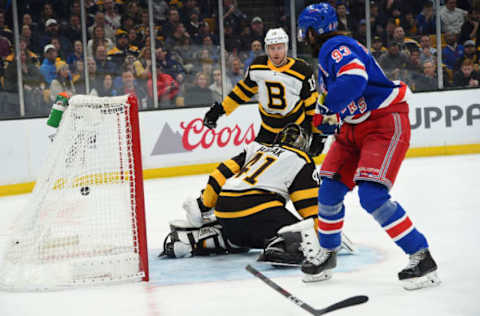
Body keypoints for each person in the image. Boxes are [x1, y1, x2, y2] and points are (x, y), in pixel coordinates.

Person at [293, 3, 440, 290]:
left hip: (383, 123)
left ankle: (421, 256)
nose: (303, 37)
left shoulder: (334, 45)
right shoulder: (331, 52)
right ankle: (328, 253)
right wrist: (325, 124)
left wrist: (325, 106)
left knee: (372, 195)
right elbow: (345, 98)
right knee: (329, 189)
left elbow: (354, 79)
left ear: (312, 30)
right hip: (354, 128)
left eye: (304, 31)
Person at [161, 124, 353, 263]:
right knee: (302, 234)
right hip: (258, 208)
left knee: (241, 234)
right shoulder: (301, 158)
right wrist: (325, 232)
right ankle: (279, 246)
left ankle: (202, 239)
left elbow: (219, 173)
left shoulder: (255, 148)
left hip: (224, 208)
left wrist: (205, 203)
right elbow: (308, 207)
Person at [202, 27, 325, 157]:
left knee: (289, 166)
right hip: (268, 127)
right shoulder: (257, 67)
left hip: (296, 127)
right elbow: (241, 93)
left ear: (286, 47)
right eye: (272, 48)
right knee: (256, 165)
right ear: (267, 49)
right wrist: (220, 110)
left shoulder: (302, 70)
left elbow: (311, 105)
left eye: (280, 47)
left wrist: (317, 134)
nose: (276, 52)